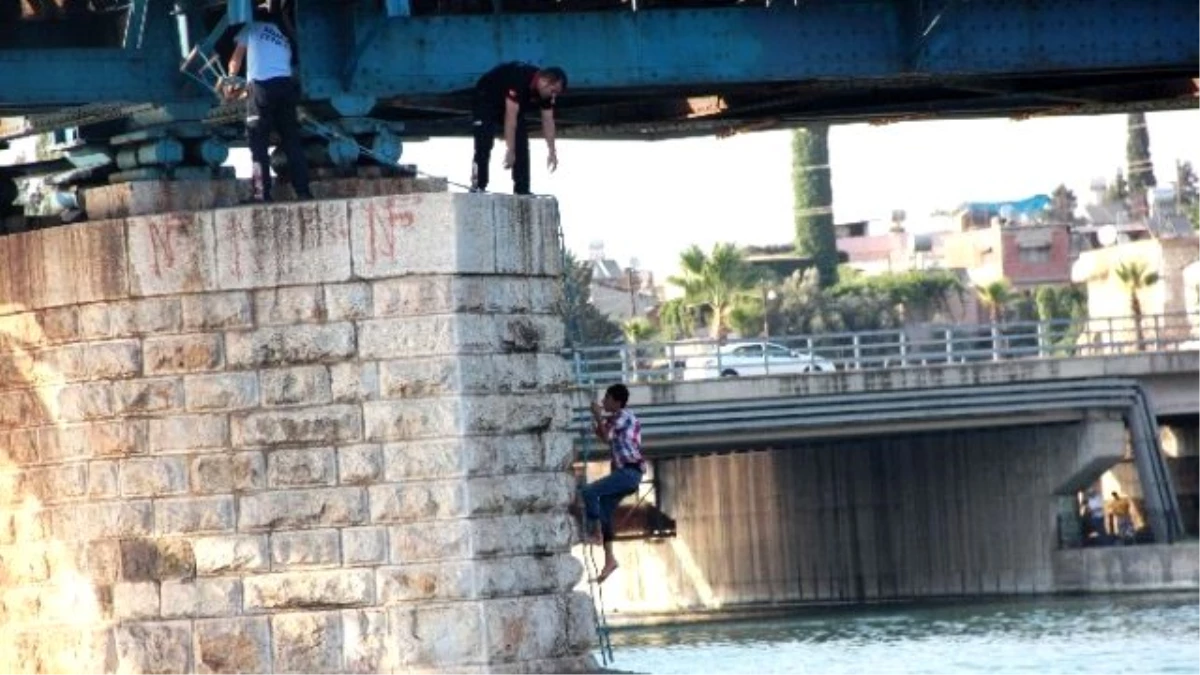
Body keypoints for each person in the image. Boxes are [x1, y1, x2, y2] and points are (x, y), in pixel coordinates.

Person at [225, 1, 313, 202]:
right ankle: (303, 191)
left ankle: (261, 193)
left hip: (262, 87)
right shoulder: (284, 34)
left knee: (258, 141)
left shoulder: (252, 27)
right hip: (286, 86)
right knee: (291, 140)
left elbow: (236, 58)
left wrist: (230, 80)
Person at [579, 383, 645, 584]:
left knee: (589, 492)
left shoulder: (624, 416)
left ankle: (594, 533)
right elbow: (605, 437)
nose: (603, 401)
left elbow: (607, 436)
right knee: (605, 512)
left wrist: (598, 416)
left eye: (606, 398)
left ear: (617, 401)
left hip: (628, 472)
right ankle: (610, 560)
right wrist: (596, 421)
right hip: (627, 474)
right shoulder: (618, 419)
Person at [469, 62, 567, 195]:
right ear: (544, 82)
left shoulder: (545, 93)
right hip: (487, 98)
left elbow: (548, 120)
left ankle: (522, 189)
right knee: (484, 141)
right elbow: (510, 118)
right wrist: (510, 150)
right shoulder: (520, 78)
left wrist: (552, 151)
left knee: (522, 142)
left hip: (510, 103)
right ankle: (478, 184)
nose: (554, 98)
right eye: (553, 91)